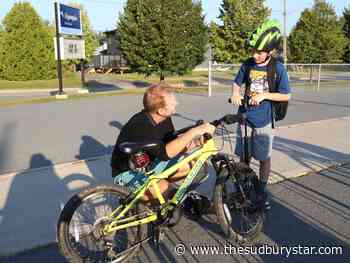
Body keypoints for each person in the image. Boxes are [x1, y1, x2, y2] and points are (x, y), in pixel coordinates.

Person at [111, 82, 215, 203]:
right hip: (128, 173)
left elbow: (171, 148)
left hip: (152, 164)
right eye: (172, 102)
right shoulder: (140, 125)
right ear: (161, 110)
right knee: (166, 190)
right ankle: (133, 199)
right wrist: (193, 132)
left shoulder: (164, 118)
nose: (177, 103)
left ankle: (160, 196)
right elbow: (165, 153)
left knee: (196, 167)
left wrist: (196, 143)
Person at [230, 19, 291, 209]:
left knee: (264, 157)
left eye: (259, 51)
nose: (254, 55)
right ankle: (243, 188)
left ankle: (262, 189)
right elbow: (236, 82)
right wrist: (235, 93)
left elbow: (286, 95)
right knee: (244, 156)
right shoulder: (247, 65)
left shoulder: (277, 68)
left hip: (264, 120)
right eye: (253, 51)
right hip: (244, 118)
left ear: (270, 51)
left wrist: (264, 95)